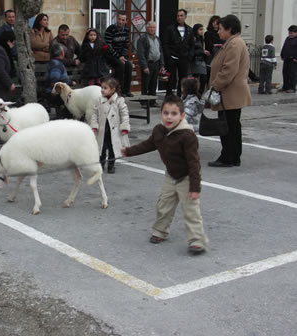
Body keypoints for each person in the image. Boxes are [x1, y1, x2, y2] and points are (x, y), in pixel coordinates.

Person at [121, 94, 208, 255]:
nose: (169, 117)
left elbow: (194, 164)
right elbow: (148, 145)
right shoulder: (159, 130)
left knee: (191, 211)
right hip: (170, 176)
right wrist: (128, 152)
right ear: (161, 114)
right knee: (163, 206)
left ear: (182, 116)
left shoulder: (187, 136)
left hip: (186, 178)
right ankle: (160, 231)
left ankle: (197, 241)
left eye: (174, 114)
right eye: (166, 113)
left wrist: (195, 187)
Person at [208, 15, 251, 168]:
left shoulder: (234, 44)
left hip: (229, 93)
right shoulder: (233, 42)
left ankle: (228, 157)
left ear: (229, 29)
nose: (218, 32)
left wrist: (215, 86)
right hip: (230, 93)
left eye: (220, 29)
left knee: (228, 127)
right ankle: (232, 156)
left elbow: (229, 70)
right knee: (232, 126)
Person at [91, 76, 130, 174]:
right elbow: (94, 114)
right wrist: (94, 126)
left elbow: (124, 114)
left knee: (113, 148)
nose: (102, 90)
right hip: (102, 129)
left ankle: (111, 165)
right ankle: (101, 164)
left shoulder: (119, 101)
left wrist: (124, 127)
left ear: (113, 90)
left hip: (114, 131)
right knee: (101, 148)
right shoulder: (99, 100)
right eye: (102, 87)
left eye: (105, 88)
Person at [162, 9, 195, 97]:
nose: (179, 17)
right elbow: (165, 43)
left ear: (185, 17)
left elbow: (192, 44)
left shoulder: (189, 30)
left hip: (184, 57)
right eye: (178, 16)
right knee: (171, 77)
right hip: (172, 57)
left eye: (181, 16)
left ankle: (181, 94)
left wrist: (189, 56)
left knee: (183, 77)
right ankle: (169, 94)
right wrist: (168, 55)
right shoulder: (170, 29)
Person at [104, 11, 133, 97]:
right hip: (110, 55)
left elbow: (126, 45)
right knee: (120, 65)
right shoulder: (110, 29)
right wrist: (118, 56)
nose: (120, 21)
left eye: (123, 20)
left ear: (126, 21)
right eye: (119, 19)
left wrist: (123, 56)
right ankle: (119, 90)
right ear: (117, 19)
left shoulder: (126, 30)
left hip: (121, 56)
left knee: (129, 65)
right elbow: (108, 46)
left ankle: (127, 90)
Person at [137, 21, 165, 107]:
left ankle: (152, 101)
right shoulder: (143, 39)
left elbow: (160, 51)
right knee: (146, 84)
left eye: (154, 27)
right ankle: (144, 102)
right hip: (148, 64)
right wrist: (144, 66)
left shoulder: (157, 38)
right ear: (147, 28)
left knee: (153, 83)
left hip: (156, 63)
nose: (152, 29)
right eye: (150, 27)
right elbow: (141, 53)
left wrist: (162, 64)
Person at [43, 43, 74, 119]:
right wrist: (70, 82)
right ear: (62, 53)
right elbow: (55, 82)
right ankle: (65, 119)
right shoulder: (56, 65)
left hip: (55, 92)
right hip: (54, 93)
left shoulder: (54, 62)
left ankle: (65, 118)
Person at [191, 23, 210, 94]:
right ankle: (196, 93)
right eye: (200, 30)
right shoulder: (194, 39)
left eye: (202, 29)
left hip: (201, 60)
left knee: (202, 78)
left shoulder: (201, 39)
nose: (202, 31)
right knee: (199, 78)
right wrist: (203, 51)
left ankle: (198, 93)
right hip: (196, 60)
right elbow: (193, 51)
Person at [204, 15, 223, 82]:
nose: (215, 23)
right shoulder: (208, 33)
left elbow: (223, 42)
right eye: (213, 21)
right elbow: (209, 44)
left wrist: (217, 44)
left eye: (217, 22)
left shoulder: (222, 33)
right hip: (211, 54)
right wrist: (217, 45)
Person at [279, 25, 297, 93]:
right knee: (285, 73)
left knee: (292, 74)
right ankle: (285, 87)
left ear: (296, 33)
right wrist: (282, 55)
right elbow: (284, 47)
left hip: (293, 60)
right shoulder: (287, 38)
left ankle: (292, 88)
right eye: (289, 32)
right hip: (286, 59)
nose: (290, 34)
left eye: (291, 33)